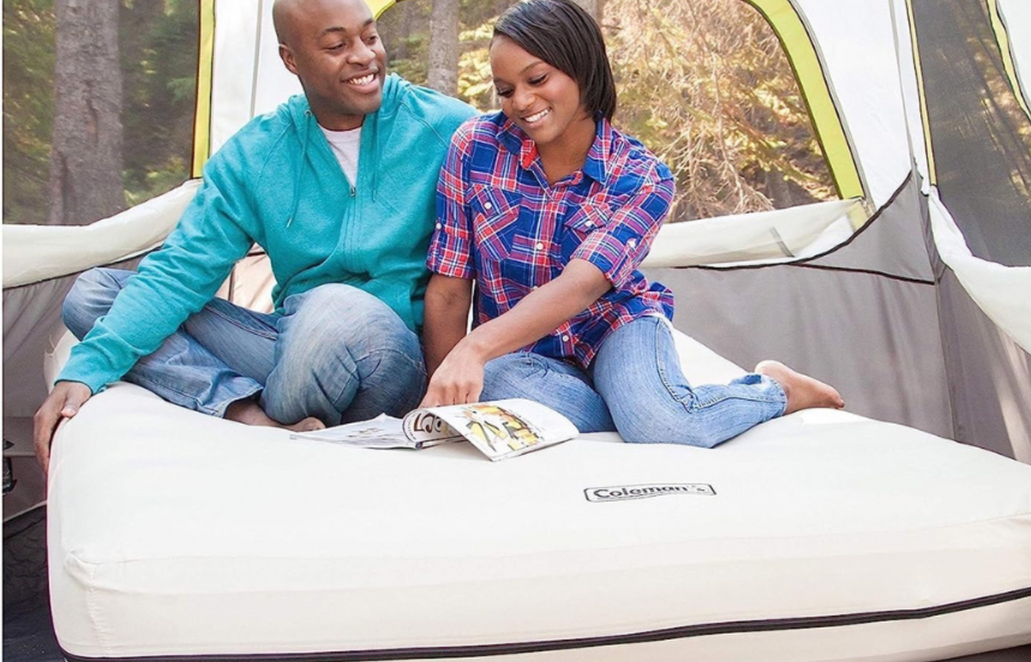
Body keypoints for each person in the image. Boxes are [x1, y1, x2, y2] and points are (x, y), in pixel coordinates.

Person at [33, 0, 475, 472]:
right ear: (291, 59)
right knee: (94, 295)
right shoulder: (255, 155)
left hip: (393, 356)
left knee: (335, 308)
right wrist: (85, 371)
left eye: (369, 37)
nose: (365, 56)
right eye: (337, 45)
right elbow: (180, 271)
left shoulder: (446, 128)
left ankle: (285, 434)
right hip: (292, 343)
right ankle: (251, 417)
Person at [419, 0, 842, 448]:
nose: (521, 102)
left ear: (582, 67)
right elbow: (448, 289)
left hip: (616, 328)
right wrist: (443, 394)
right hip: (521, 353)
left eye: (537, 79)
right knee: (495, 381)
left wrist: (475, 347)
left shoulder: (642, 176)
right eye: (505, 90)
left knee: (665, 427)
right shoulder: (474, 148)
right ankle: (637, 406)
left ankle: (776, 390)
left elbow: (581, 285)